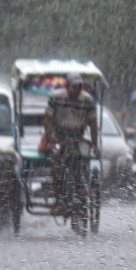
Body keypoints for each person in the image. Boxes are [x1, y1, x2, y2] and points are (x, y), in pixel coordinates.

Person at [43, 72, 99, 215]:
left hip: (77, 137)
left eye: (79, 87)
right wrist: (50, 138)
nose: (77, 90)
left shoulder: (88, 101)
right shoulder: (56, 97)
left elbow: (93, 124)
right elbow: (48, 119)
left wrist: (94, 144)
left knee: (80, 167)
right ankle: (59, 200)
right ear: (68, 87)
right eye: (74, 87)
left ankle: (81, 194)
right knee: (57, 164)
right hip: (59, 136)